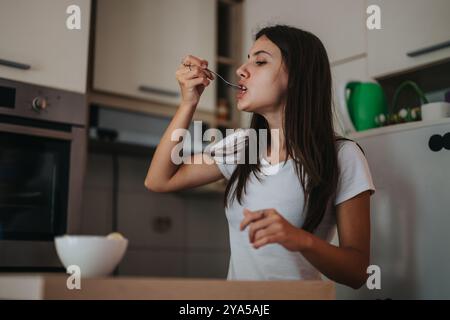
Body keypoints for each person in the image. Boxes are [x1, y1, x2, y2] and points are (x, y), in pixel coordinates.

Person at [145, 25, 375, 289]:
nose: (241, 69)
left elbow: (358, 272)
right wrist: (188, 103)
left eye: (260, 61)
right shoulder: (244, 146)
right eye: (247, 59)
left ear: (298, 76)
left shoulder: (342, 156)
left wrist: (300, 239)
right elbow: (158, 180)